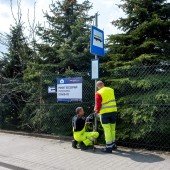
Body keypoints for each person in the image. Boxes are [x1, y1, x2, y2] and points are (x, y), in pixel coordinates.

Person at [94, 81, 117, 153]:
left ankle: (108, 147)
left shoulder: (98, 93)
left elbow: (98, 104)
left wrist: (96, 111)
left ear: (98, 86)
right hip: (113, 111)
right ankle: (113, 145)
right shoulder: (111, 90)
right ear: (103, 85)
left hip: (105, 113)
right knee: (112, 129)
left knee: (107, 130)